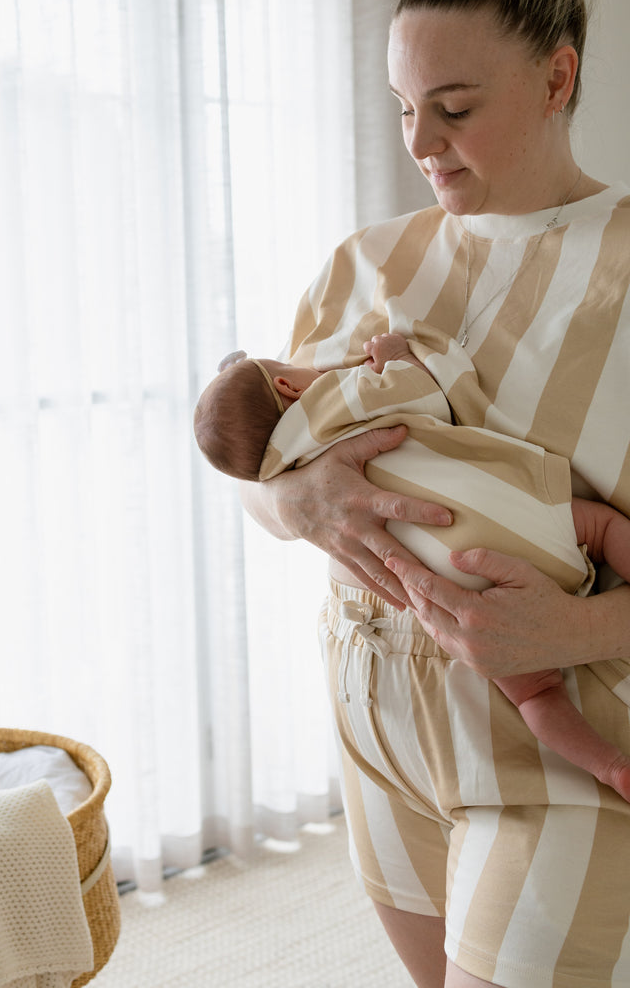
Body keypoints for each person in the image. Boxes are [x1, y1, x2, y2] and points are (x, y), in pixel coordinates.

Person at [233, 0, 630, 987]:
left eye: (453, 109)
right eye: (405, 110)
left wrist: (571, 637)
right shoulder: (362, 265)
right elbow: (271, 469)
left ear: (556, 79)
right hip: (379, 733)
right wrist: (290, 500)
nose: (420, 141)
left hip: (562, 750)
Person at [193, 331, 630, 803]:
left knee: (536, 695)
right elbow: (426, 399)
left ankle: (612, 767)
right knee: (603, 529)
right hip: (515, 523)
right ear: (288, 387)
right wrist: (398, 360)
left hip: (459, 587)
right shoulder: (337, 397)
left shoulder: (281, 474)